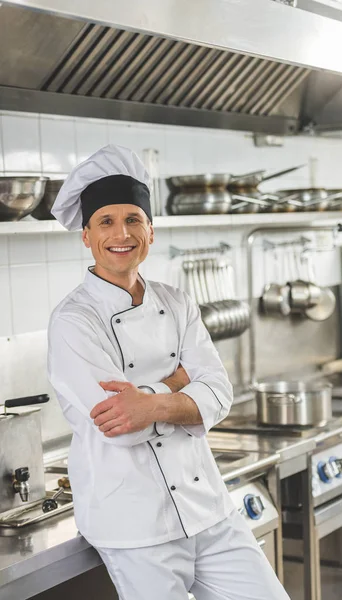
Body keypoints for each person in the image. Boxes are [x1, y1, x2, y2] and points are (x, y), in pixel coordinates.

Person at [47, 144, 290, 600]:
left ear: (151, 231)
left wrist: (150, 402)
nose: (122, 233)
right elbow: (122, 426)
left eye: (133, 219)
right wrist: (178, 384)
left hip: (208, 507)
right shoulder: (74, 320)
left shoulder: (177, 301)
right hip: (136, 523)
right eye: (106, 221)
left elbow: (218, 393)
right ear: (86, 236)